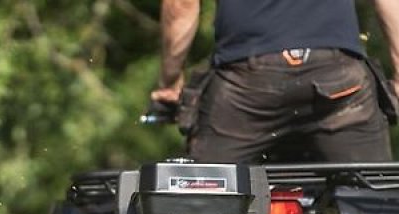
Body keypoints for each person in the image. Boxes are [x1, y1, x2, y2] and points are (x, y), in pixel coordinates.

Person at [150, 0, 399, 162]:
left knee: (206, 203)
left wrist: (170, 82)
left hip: (247, 85)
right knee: (373, 202)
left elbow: (181, 5)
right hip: (338, 79)